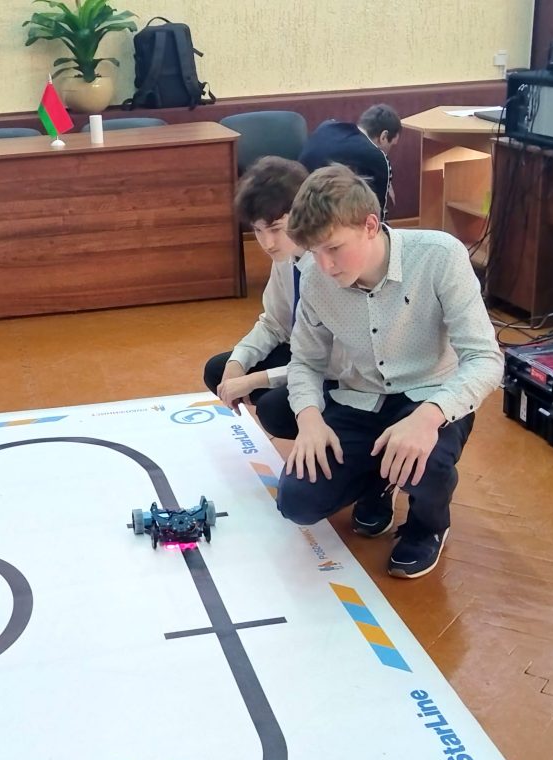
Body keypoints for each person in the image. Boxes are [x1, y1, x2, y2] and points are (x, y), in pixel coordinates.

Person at [277, 164, 502, 579]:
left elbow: (486, 359)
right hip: (360, 399)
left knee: (426, 462)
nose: (324, 266)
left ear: (370, 225)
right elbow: (305, 361)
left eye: (334, 248)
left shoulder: (439, 255)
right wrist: (309, 420)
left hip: (432, 396)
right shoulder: (313, 277)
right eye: (314, 252)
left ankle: (428, 526)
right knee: (297, 502)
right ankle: (380, 480)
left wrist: (429, 417)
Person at [203, 156, 341, 440]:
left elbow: (332, 361)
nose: (267, 243)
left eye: (276, 229)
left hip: (338, 370)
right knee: (219, 370)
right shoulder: (286, 257)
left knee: (273, 408)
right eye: (258, 230)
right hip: (303, 352)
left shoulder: (330, 266)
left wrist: (258, 379)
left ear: (302, 215)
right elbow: (273, 324)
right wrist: (238, 362)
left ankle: (337, 435)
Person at [298, 103, 402, 220]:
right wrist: (384, 170)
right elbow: (377, 217)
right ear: (384, 136)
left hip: (299, 208)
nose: (388, 151)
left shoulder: (327, 126)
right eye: (391, 145)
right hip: (326, 219)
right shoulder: (377, 157)